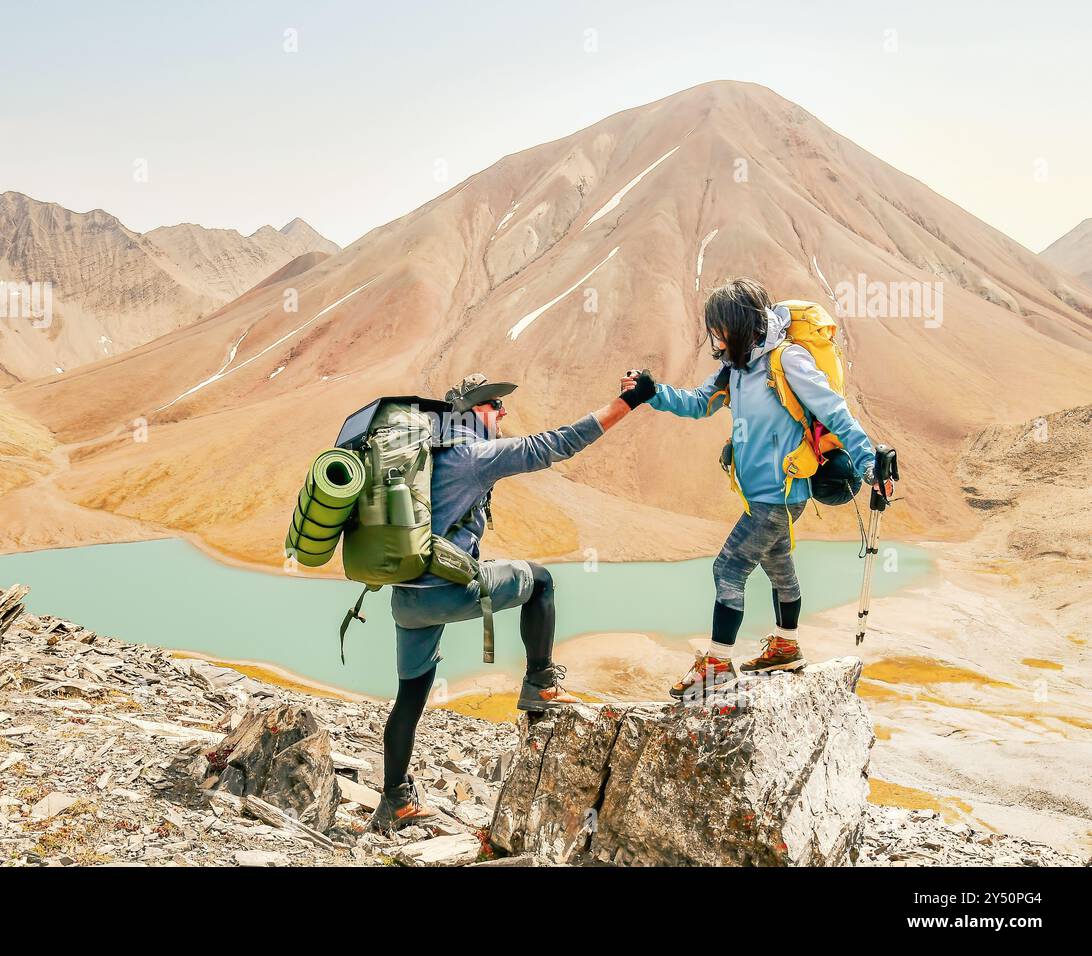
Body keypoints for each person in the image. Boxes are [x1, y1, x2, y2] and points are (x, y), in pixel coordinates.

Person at [370, 371, 657, 832]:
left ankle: (395, 801)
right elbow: (553, 444)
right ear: (472, 412)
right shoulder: (472, 455)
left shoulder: (429, 454)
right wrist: (629, 402)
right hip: (446, 589)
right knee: (540, 582)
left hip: (408, 599)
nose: (503, 413)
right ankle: (540, 683)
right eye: (494, 405)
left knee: (410, 697)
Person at [624, 277, 893, 699]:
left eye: (719, 327)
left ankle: (716, 664)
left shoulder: (787, 361)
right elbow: (698, 403)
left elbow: (834, 410)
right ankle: (786, 645)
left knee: (728, 568)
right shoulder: (736, 367)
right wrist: (651, 393)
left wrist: (867, 463)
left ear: (738, 324)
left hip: (780, 494)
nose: (714, 335)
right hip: (764, 495)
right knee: (778, 564)